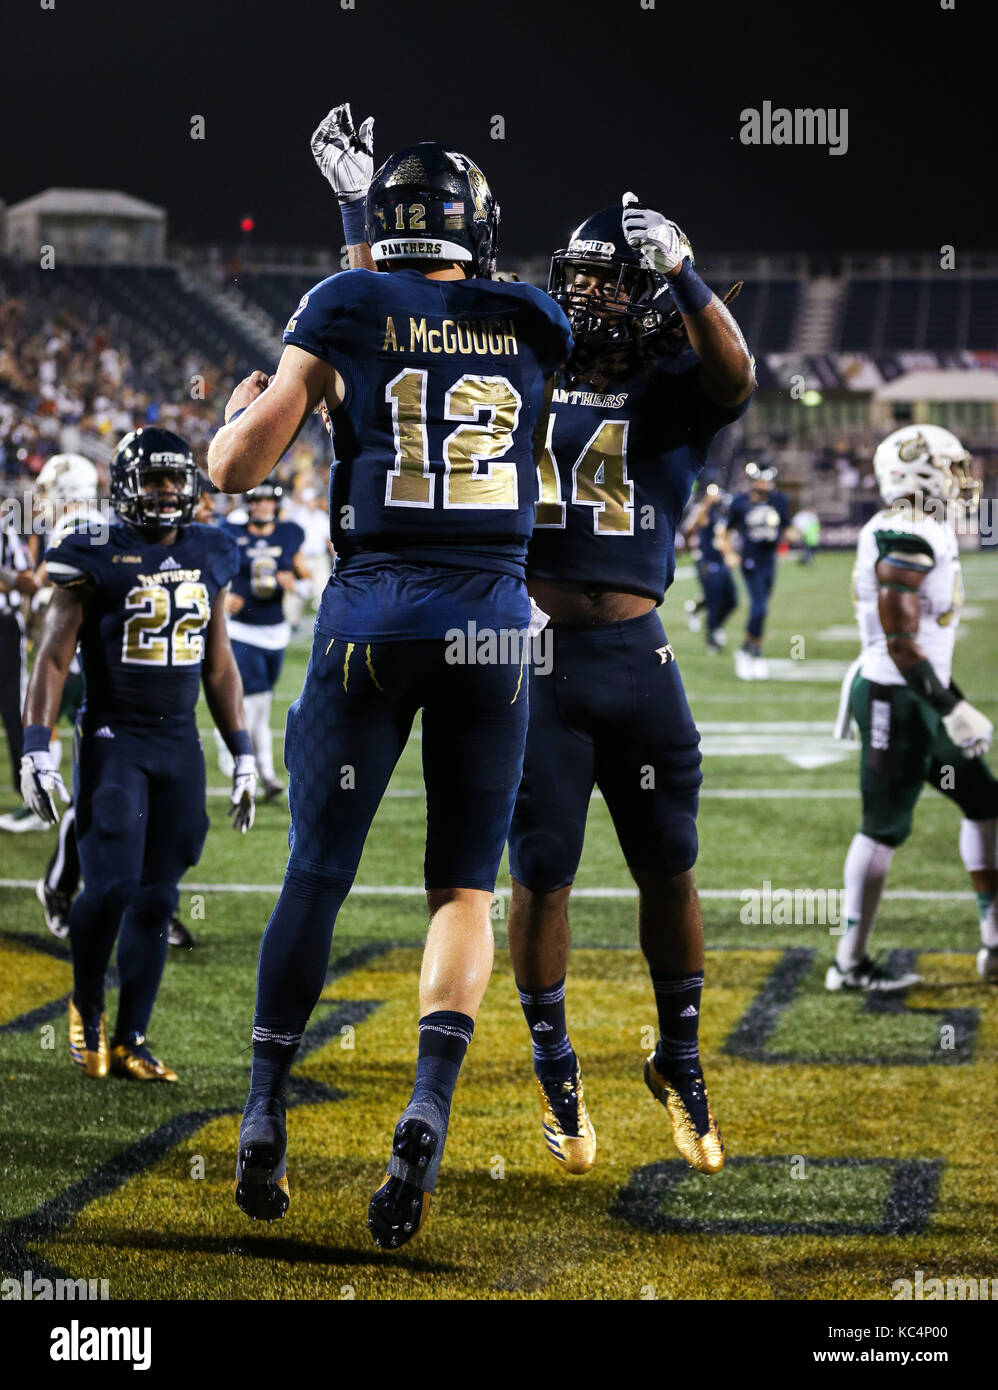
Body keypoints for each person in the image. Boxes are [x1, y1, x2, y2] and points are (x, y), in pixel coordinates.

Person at [213, 113, 572, 1247]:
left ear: (384, 232)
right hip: (496, 630)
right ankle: (425, 1106)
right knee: (463, 888)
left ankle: (265, 1109)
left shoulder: (343, 304)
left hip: (370, 618)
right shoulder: (536, 319)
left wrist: (250, 403)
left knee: (317, 869)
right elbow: (433, 320)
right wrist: (361, 235)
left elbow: (236, 464)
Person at [489, 196, 753, 1178]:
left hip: (636, 657)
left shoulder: (678, 381)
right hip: (538, 654)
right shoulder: (526, 366)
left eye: (610, 277)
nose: (586, 293)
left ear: (647, 293)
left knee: (668, 864)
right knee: (541, 869)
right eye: (580, 275)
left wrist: (683, 270)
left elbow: (736, 371)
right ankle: (555, 1068)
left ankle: (678, 1059)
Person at [20, 428, 258, 1082]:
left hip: (179, 742)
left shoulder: (212, 550)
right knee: (114, 882)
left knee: (158, 897)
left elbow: (219, 665)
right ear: (125, 484)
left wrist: (241, 753)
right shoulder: (93, 551)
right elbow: (52, 656)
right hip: (113, 737)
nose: (165, 492)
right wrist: (36, 748)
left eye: (174, 480)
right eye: (152, 480)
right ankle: (87, 1002)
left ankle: (132, 1038)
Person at [830, 425, 997, 989]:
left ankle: (993, 940)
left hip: (925, 694)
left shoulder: (923, 526)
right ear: (920, 472)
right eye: (951, 468)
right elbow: (901, 646)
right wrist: (952, 708)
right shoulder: (904, 534)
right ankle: (849, 963)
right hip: (895, 697)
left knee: (984, 801)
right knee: (883, 829)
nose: (962, 479)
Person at [216, 480, 310, 801]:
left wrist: (296, 585)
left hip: (276, 631)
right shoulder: (230, 532)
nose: (262, 507)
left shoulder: (289, 533)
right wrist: (223, 595)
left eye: (268, 502)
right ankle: (262, 771)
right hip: (241, 630)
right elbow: (215, 572)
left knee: (260, 698)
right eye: (256, 501)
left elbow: (306, 578)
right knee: (257, 701)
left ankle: (241, 754)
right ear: (248, 505)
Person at [722, 462, 792, 680]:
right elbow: (725, 531)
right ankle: (752, 653)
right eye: (760, 480)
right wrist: (729, 553)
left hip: (769, 561)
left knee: (763, 608)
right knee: (759, 607)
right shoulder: (740, 502)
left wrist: (798, 538)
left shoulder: (779, 501)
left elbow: (787, 528)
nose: (764, 484)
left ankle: (748, 648)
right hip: (750, 560)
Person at [0, 502, 39, 825]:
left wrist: (3, 576)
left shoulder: (4, 532)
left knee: (14, 711)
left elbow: (29, 582)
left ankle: (29, 796)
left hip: (4, 629)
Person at [681, 483, 739, 651]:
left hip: (721, 562)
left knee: (732, 600)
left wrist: (730, 554)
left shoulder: (724, 514)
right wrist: (706, 502)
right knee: (715, 600)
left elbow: (725, 536)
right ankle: (712, 637)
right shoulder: (704, 511)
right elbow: (689, 527)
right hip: (707, 562)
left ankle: (702, 613)